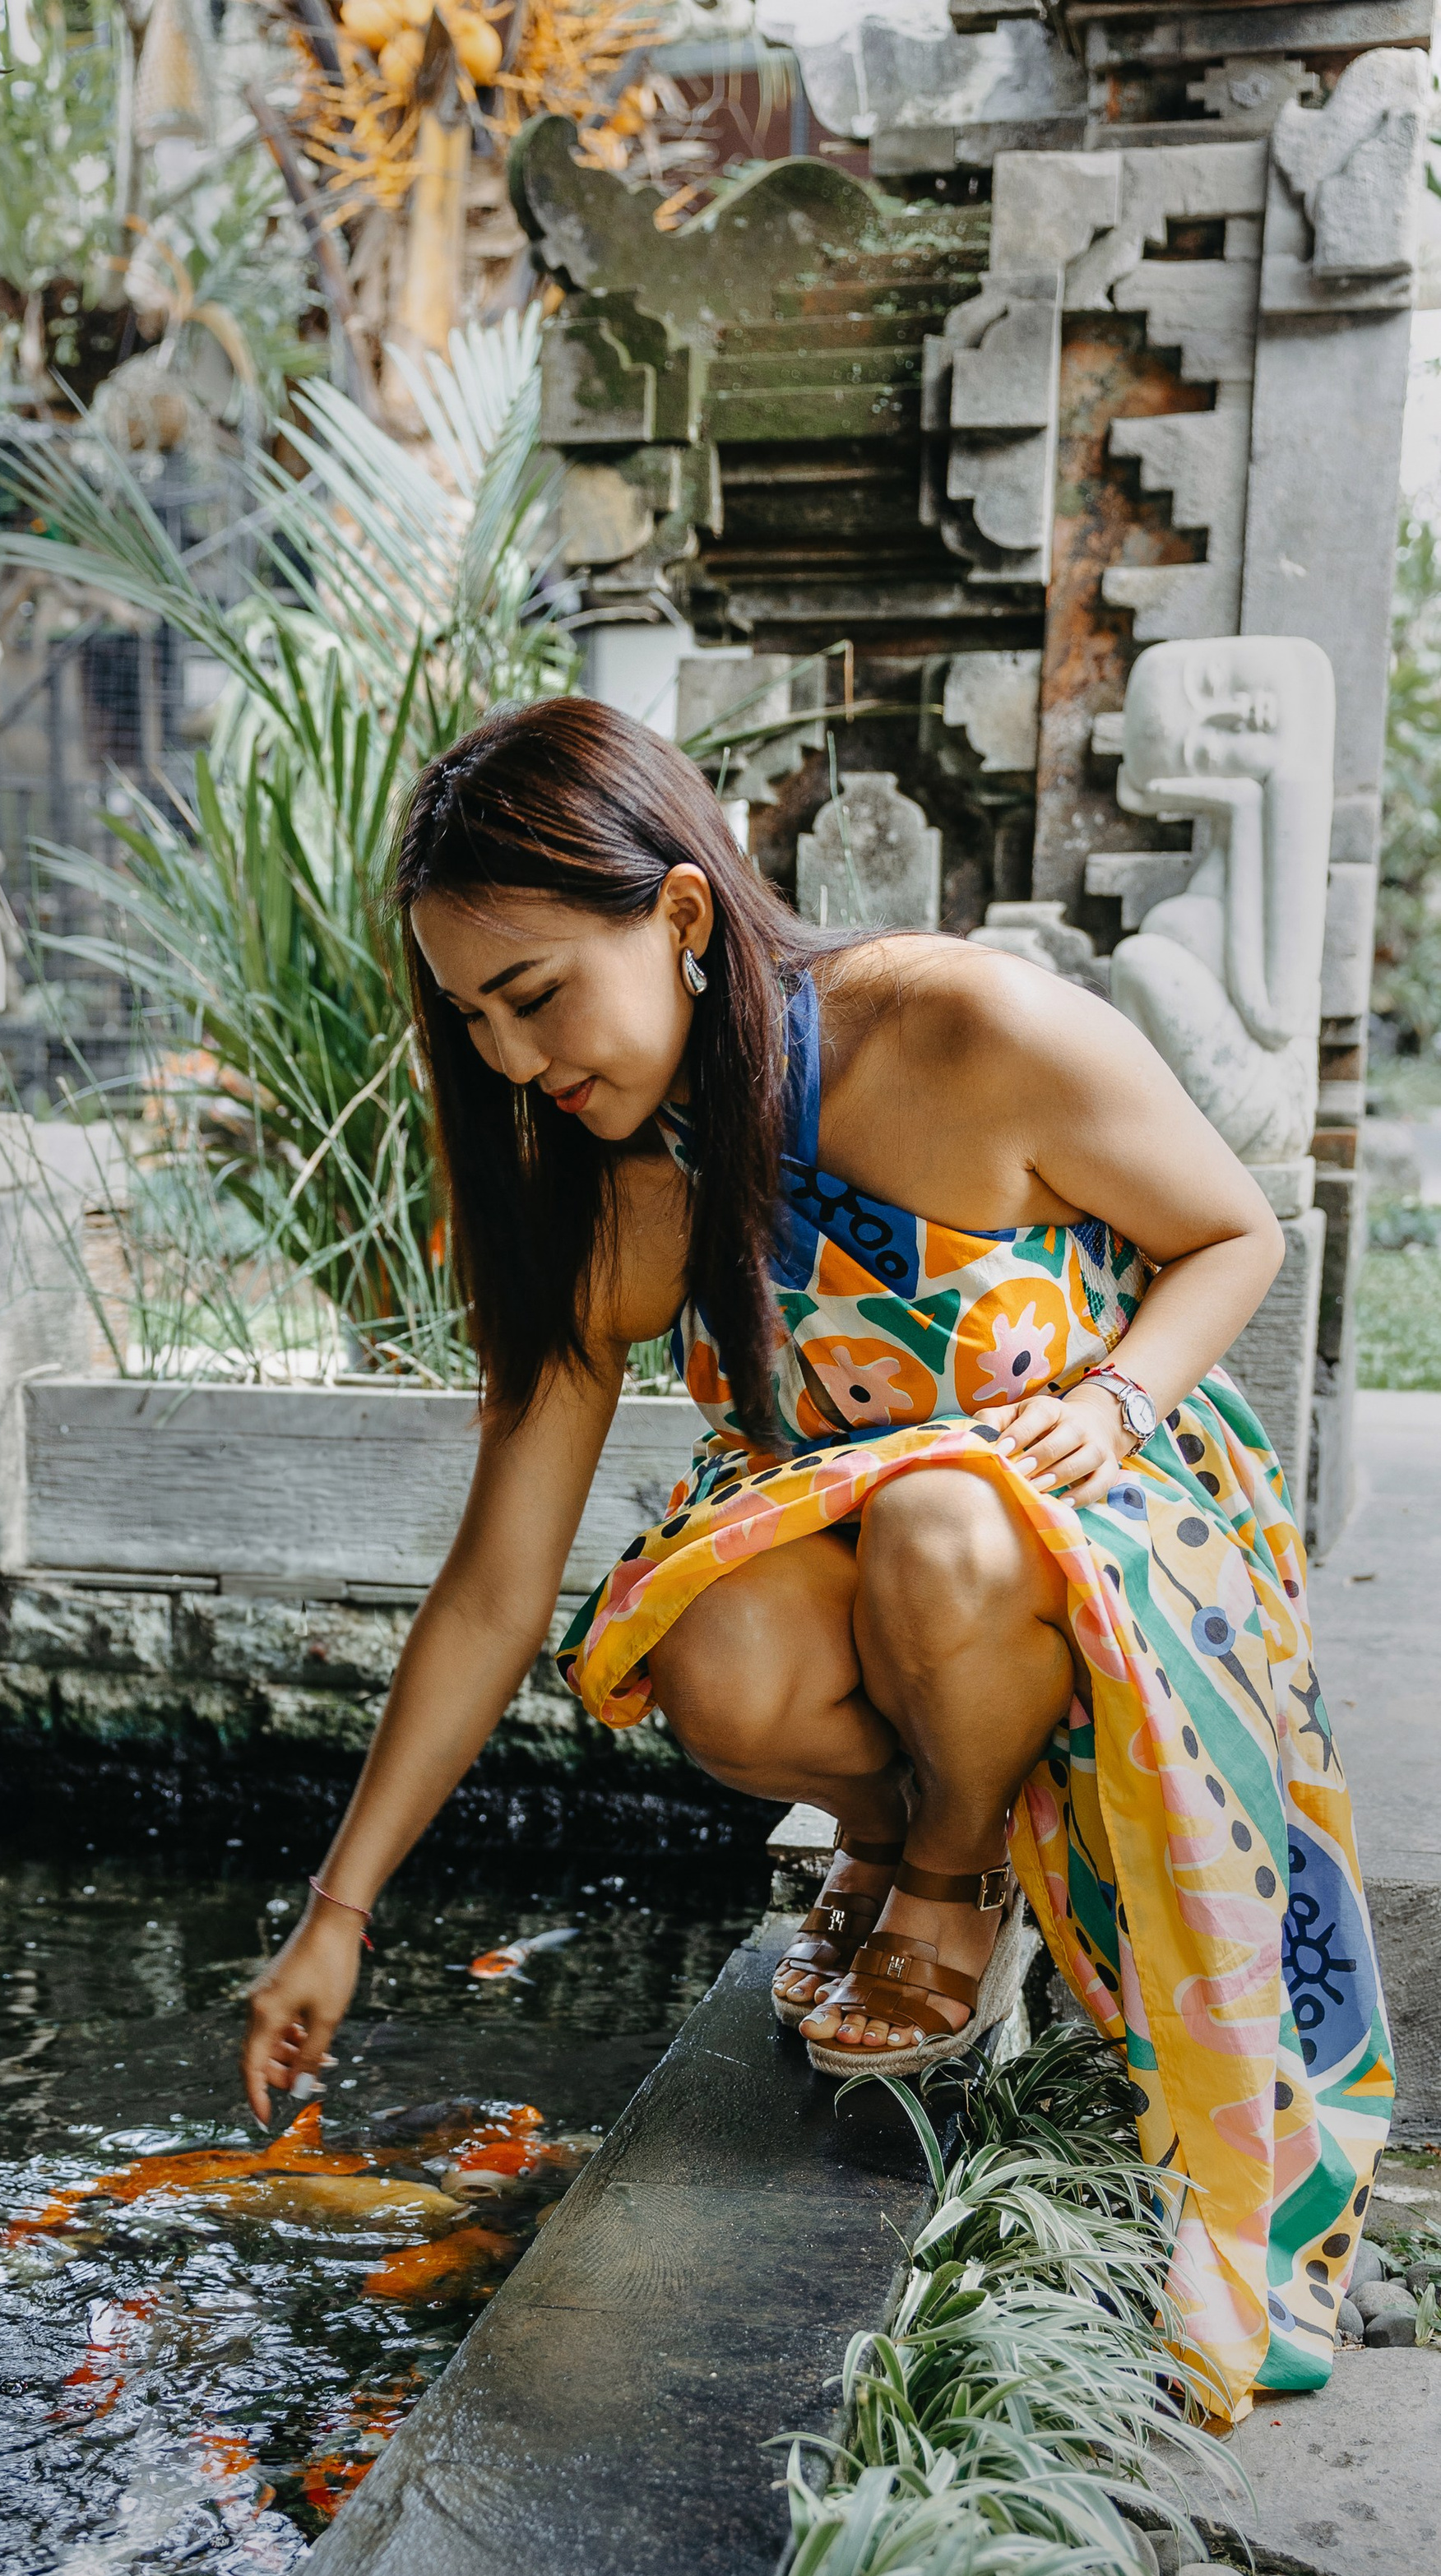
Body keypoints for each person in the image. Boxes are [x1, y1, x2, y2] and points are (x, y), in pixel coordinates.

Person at [237, 697, 1394, 2423]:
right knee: (708, 1656)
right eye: (469, 1016)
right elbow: (495, 1586)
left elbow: (1232, 1228)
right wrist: (336, 1913)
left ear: (679, 917)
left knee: (939, 1513)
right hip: (860, 1564)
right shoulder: (612, 1196)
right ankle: (919, 1821)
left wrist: (1126, 1394)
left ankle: (940, 1877)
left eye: (534, 992)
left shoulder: (961, 1030)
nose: (502, 1057)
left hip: (1098, 1504)